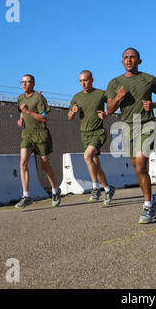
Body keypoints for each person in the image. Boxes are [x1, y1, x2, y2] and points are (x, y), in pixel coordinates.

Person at [106, 48, 156, 224]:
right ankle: (152, 199)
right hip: (126, 126)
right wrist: (118, 98)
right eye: (125, 57)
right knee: (137, 167)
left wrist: (154, 104)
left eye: (132, 57)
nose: (129, 60)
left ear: (139, 61)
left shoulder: (148, 79)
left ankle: (147, 205)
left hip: (146, 124)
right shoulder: (115, 82)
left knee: (141, 165)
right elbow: (109, 110)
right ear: (121, 61)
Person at [68, 70, 116, 205]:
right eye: (81, 81)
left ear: (92, 80)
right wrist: (73, 112)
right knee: (95, 165)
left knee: (87, 156)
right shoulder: (77, 97)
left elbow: (112, 106)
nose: (83, 83)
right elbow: (70, 117)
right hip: (85, 134)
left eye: (86, 80)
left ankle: (95, 188)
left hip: (98, 132)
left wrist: (106, 114)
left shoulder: (101, 94)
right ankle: (108, 188)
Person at [14, 74, 61, 209]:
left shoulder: (39, 98)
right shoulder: (20, 98)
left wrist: (27, 112)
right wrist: (21, 118)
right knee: (23, 162)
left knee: (44, 166)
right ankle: (26, 196)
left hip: (41, 134)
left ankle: (55, 190)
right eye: (22, 82)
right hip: (27, 134)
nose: (24, 84)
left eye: (27, 82)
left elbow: (44, 118)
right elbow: (21, 111)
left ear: (33, 84)